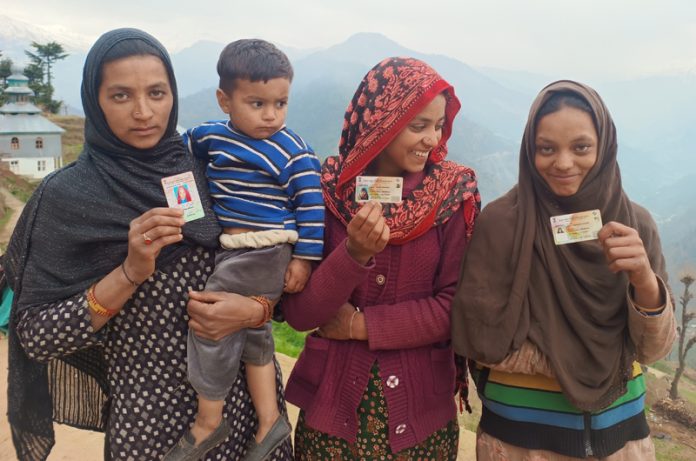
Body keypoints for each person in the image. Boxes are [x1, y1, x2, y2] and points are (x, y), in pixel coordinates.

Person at [5, 28, 293, 461]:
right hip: (153, 429)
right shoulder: (68, 197)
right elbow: (36, 339)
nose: (144, 112)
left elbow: (267, 262)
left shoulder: (204, 168)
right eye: (121, 96)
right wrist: (128, 273)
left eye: (157, 93)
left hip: (247, 416)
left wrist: (256, 310)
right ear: (95, 102)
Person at [451, 81, 676, 460]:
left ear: (604, 146)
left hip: (620, 443)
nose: (564, 163)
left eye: (582, 147)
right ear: (530, 150)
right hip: (519, 444)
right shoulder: (503, 225)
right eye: (547, 149)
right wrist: (597, 355)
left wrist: (643, 280)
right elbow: (479, 343)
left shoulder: (635, 224)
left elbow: (653, 349)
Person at [282, 57, 480, 460]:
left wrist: (359, 325)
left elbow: (455, 308)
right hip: (331, 419)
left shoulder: (451, 194)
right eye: (418, 125)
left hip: (421, 421)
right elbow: (300, 314)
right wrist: (353, 254)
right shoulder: (329, 190)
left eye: (439, 125)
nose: (432, 139)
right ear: (381, 123)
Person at [166, 39, 324, 461]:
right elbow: (179, 146)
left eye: (281, 103)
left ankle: (208, 421)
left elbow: (311, 206)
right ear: (225, 100)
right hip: (233, 248)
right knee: (253, 332)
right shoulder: (211, 137)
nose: (271, 115)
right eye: (257, 103)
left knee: (209, 320)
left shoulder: (293, 151)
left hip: (265, 249)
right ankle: (269, 419)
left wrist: (305, 261)